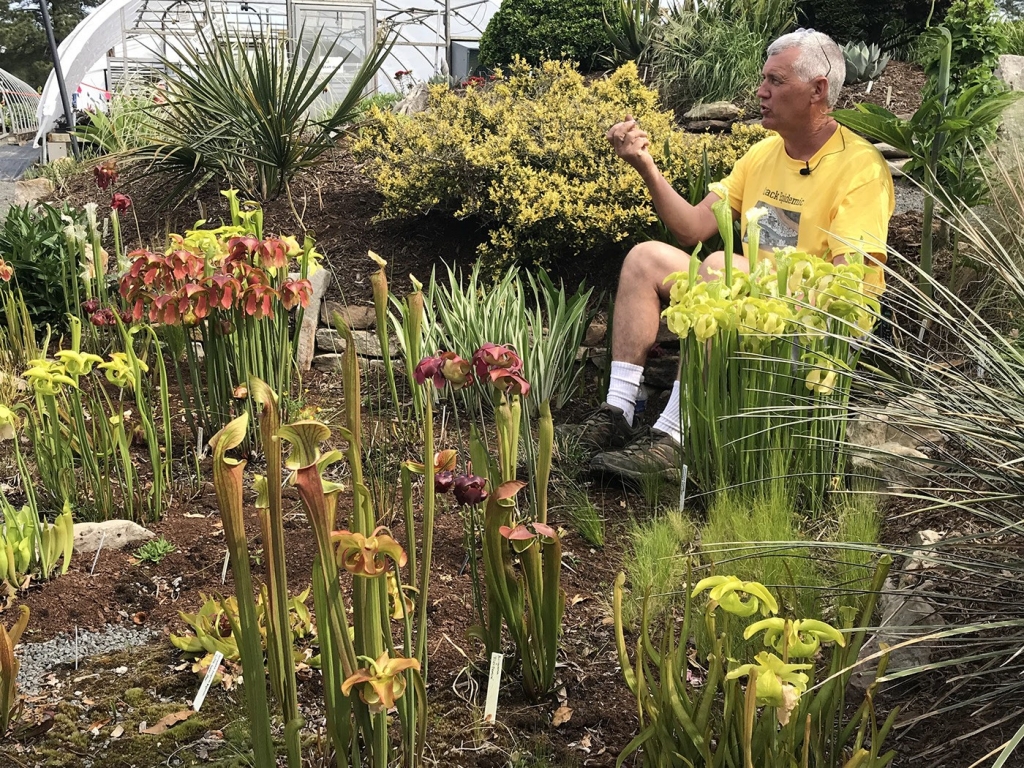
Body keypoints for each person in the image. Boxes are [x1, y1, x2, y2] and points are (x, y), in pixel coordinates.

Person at [573, 29, 895, 484]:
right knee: (646, 258)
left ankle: (677, 438)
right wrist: (645, 165)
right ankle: (619, 411)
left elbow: (848, 284)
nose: (761, 92)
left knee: (723, 269)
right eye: (764, 79)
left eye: (776, 82)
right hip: (747, 296)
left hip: (818, 324)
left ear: (818, 90)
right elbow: (691, 228)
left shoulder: (860, 169)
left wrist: (748, 281)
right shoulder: (762, 154)